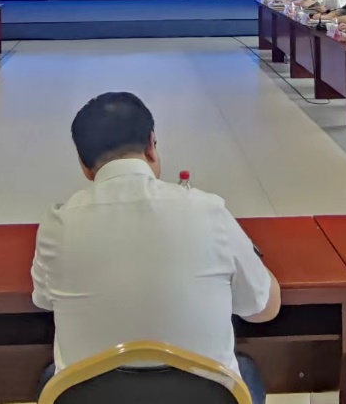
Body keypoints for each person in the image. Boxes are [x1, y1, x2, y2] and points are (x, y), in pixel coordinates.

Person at [31, 92, 280, 403]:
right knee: (244, 371)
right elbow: (263, 308)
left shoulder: (57, 225)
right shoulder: (208, 210)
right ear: (151, 145)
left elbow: (44, 300)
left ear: (84, 166)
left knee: (53, 378)